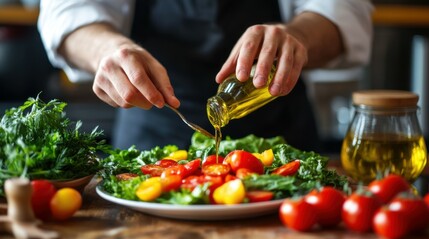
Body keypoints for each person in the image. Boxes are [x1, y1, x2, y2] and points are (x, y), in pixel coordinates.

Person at [38, 0, 373, 151]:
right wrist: (106, 50)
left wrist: (299, 36)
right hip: (152, 129)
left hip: (280, 131)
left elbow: (345, 8)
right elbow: (67, 10)